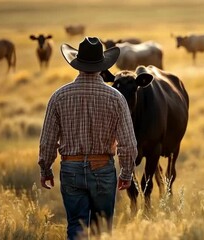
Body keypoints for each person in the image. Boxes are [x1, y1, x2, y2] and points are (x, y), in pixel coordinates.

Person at [38, 37, 138, 240]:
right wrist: (126, 173)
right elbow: (128, 143)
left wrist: (46, 169)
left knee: (76, 227)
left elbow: (48, 140)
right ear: (102, 66)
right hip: (103, 170)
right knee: (102, 229)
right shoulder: (116, 97)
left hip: (71, 169)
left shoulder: (59, 96)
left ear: (77, 64)